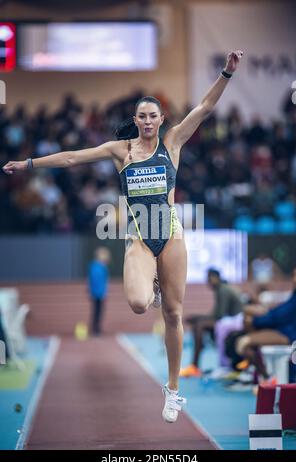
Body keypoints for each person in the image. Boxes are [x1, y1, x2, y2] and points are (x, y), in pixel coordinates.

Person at [2, 50, 244, 423]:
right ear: (136, 120)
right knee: (136, 301)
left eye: (153, 116)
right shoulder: (121, 151)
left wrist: (226, 73)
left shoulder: (174, 142)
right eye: (142, 116)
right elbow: (71, 158)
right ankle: (153, 287)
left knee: (174, 314)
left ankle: (173, 389)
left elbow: (206, 107)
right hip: (141, 240)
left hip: (172, 236)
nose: (148, 121)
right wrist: (30, 164)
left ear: (162, 119)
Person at [236, 265, 296, 382]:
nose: (295, 279)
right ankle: (260, 374)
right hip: (285, 331)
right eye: (294, 276)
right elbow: (280, 312)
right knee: (248, 323)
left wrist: (256, 320)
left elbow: (280, 316)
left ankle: (266, 378)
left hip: (293, 337)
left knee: (243, 343)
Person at [180, 268, 243, 377]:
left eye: (209, 278)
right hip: (228, 320)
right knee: (197, 324)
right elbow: (216, 315)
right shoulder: (220, 289)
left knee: (200, 326)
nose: (207, 281)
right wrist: (197, 317)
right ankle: (196, 361)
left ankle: (196, 363)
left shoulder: (223, 290)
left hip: (235, 321)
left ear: (216, 277)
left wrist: (198, 318)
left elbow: (220, 316)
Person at [88, 247, 110, 336]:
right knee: (97, 311)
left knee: (97, 311)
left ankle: (96, 328)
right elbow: (97, 281)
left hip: (98, 292)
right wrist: (102, 292)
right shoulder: (98, 267)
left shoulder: (96, 266)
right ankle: (95, 329)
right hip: (98, 293)